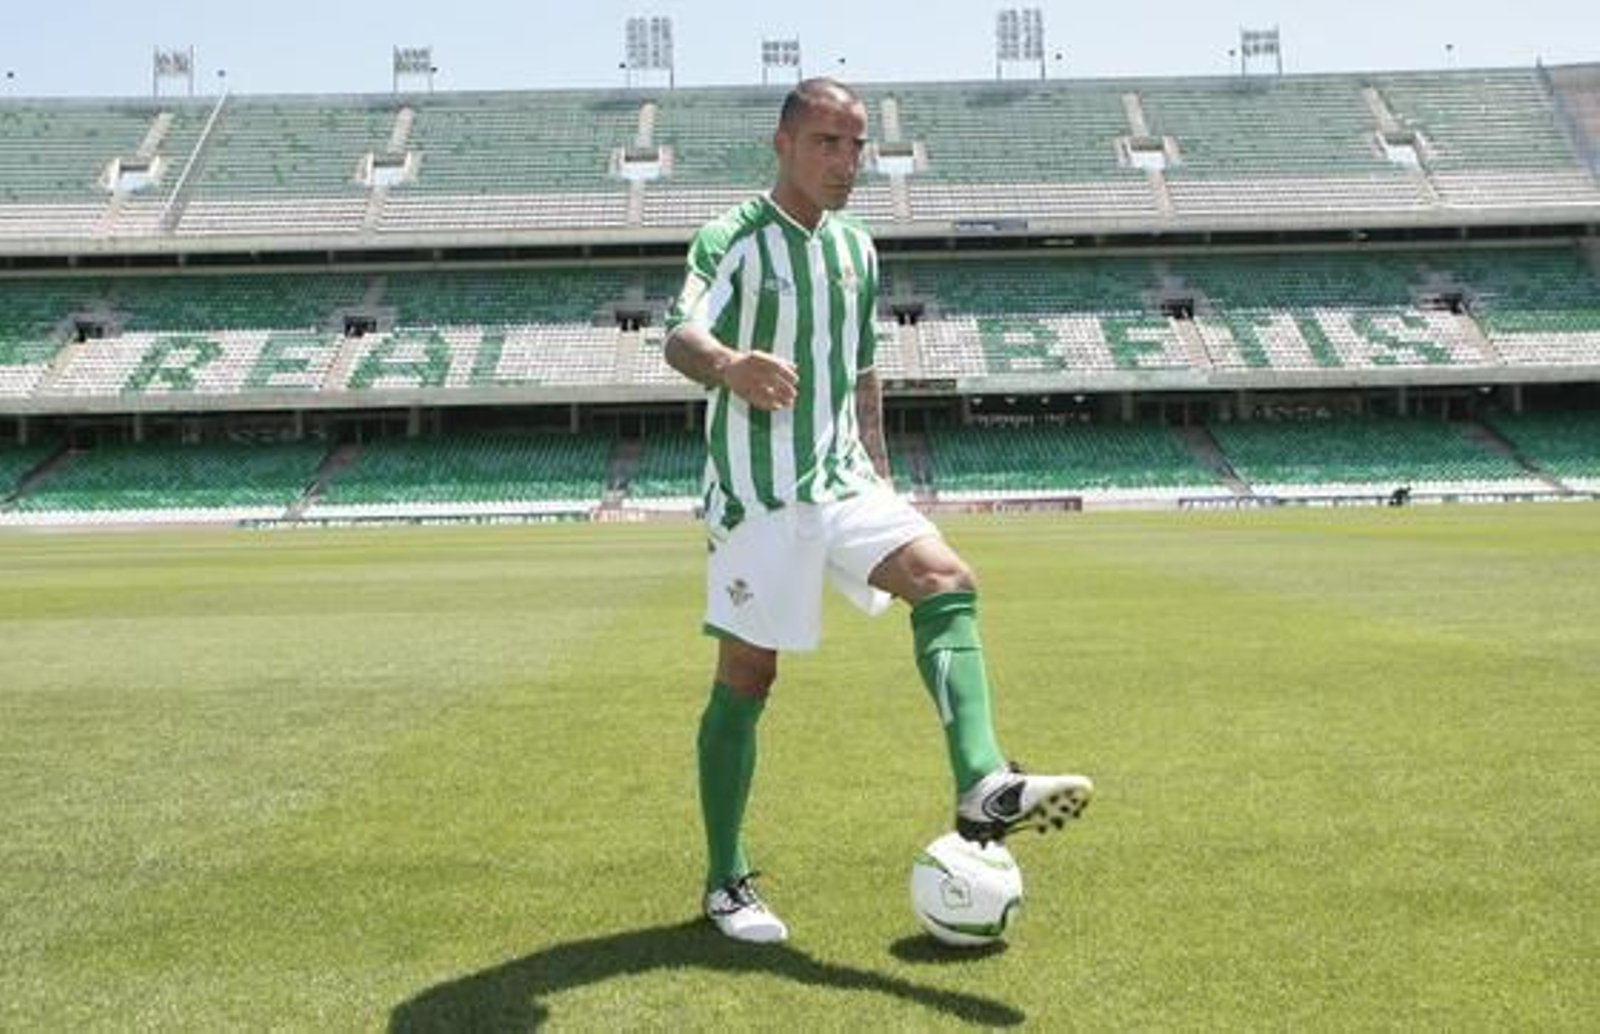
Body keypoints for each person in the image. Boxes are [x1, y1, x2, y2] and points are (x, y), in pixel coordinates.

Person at [663, 78, 1093, 944]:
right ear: (783, 144)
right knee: (750, 679)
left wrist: (886, 477)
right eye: (827, 142)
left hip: (846, 478)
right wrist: (729, 367)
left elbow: (862, 372)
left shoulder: (859, 250)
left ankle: (981, 779)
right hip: (759, 493)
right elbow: (680, 333)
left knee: (945, 579)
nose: (845, 162)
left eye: (856, 146)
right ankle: (724, 882)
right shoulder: (735, 239)